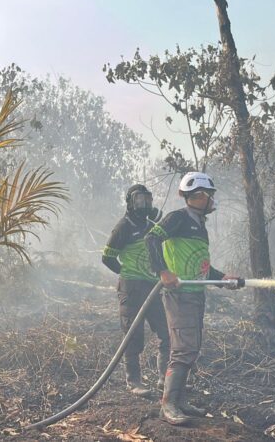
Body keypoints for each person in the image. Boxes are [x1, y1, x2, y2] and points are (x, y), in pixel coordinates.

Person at [145, 172, 242, 425]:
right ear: (195, 196)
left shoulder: (200, 226)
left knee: (192, 349)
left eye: (210, 196)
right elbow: (151, 238)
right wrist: (163, 271)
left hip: (196, 295)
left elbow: (201, 267)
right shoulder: (177, 219)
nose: (210, 200)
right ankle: (168, 406)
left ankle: (180, 400)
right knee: (183, 349)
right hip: (179, 296)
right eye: (207, 195)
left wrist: (223, 279)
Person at [102, 184, 170, 396]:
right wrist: (127, 273)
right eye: (140, 199)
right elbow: (107, 257)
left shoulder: (152, 225)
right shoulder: (123, 226)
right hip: (131, 288)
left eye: (148, 199)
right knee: (133, 335)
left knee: (166, 332)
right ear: (131, 202)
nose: (145, 204)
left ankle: (164, 378)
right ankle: (134, 382)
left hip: (153, 286)